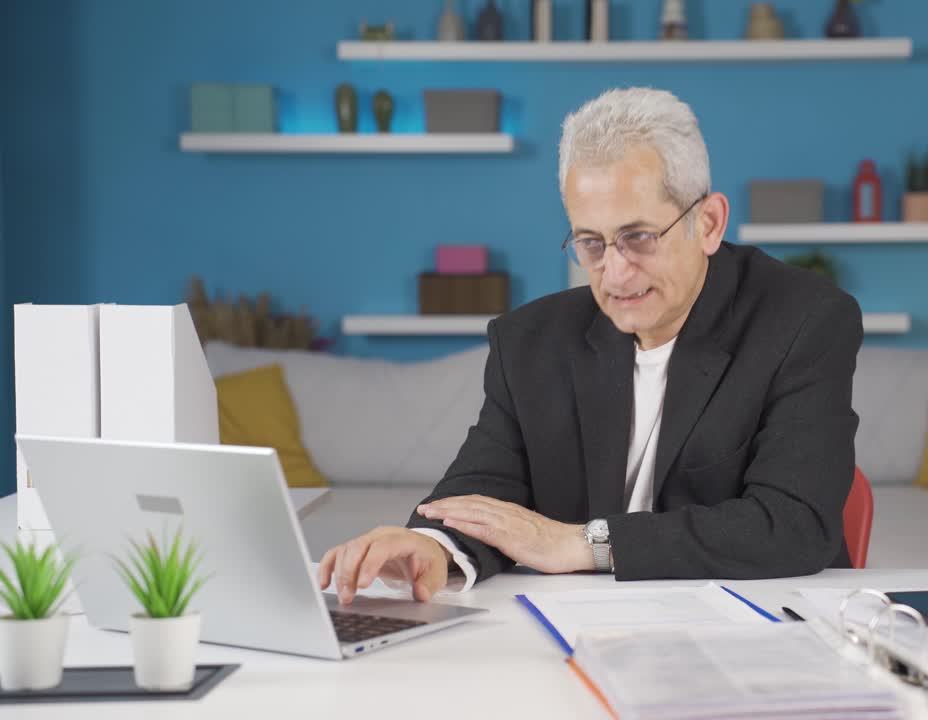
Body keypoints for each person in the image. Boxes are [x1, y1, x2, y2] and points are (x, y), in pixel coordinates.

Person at [317, 87, 863, 605]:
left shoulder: (805, 320)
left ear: (709, 223)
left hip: (753, 633)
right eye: (591, 243)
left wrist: (582, 543)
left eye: (639, 237)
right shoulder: (529, 343)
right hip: (580, 635)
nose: (616, 272)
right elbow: (484, 489)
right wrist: (431, 547)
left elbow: (794, 524)